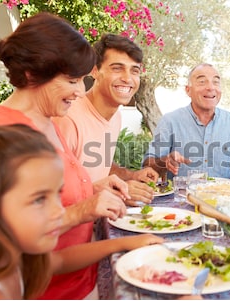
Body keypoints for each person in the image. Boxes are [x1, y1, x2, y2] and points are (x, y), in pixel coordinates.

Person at [0, 12, 130, 299]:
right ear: (32, 74)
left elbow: (52, 190)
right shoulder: (0, 132)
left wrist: (95, 188)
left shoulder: (48, 118)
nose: (79, 92)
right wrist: (81, 211)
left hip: (81, 281)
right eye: (72, 80)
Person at [0, 124, 164, 299]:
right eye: (39, 199)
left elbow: (60, 260)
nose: (59, 210)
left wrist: (123, 243)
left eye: (58, 195)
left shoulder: (18, 258)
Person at [54, 33, 158, 206]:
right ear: (95, 71)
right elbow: (53, 194)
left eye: (135, 70)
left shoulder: (115, 117)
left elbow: (99, 168)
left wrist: (132, 176)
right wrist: (120, 191)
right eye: (117, 68)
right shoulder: (68, 118)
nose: (127, 78)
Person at [143, 62, 230, 179]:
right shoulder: (170, 121)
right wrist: (165, 161)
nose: (211, 87)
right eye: (202, 82)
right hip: (182, 196)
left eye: (216, 82)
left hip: (222, 195)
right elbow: (148, 164)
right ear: (188, 90)